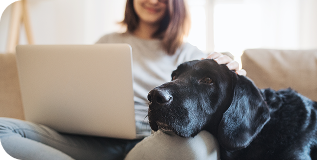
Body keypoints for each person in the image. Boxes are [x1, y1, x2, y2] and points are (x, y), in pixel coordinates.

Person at [0, 0, 246, 159]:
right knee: (3, 129)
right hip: (95, 142)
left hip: (152, 143)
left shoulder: (188, 54)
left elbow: (223, 89)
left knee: (195, 148)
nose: (152, 1)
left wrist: (234, 71)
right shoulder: (107, 42)